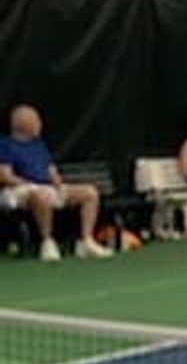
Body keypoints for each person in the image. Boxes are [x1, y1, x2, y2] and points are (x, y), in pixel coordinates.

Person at [0, 105, 113, 262]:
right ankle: (47, 242)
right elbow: (5, 176)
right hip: (16, 191)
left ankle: (86, 241)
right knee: (42, 195)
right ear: (24, 124)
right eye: (36, 120)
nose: (40, 123)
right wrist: (32, 184)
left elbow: (50, 170)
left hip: (46, 188)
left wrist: (57, 183)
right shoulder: (5, 145)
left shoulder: (39, 145)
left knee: (89, 193)